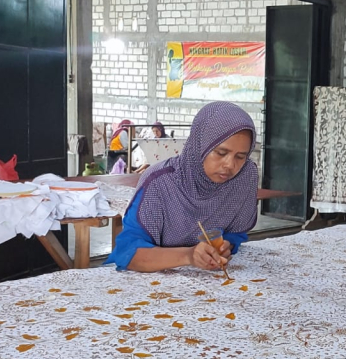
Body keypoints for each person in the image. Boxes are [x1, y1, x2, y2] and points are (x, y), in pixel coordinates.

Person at [106, 102, 259, 273]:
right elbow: (129, 254)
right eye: (221, 153)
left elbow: (235, 232)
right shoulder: (159, 183)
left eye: (241, 156)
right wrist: (189, 256)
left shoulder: (244, 177)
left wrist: (224, 246)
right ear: (199, 145)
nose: (230, 165)